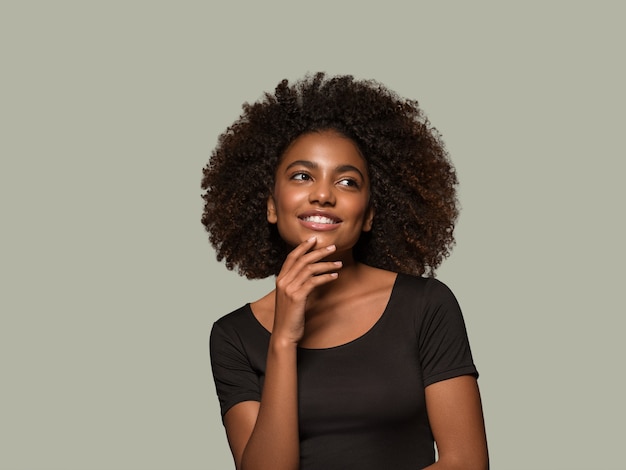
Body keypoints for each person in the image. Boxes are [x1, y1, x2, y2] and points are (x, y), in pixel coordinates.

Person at [202, 73, 488, 470]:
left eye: (347, 181)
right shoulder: (233, 337)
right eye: (302, 176)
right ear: (270, 206)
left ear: (368, 215)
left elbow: (466, 463)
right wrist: (283, 340)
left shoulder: (426, 306)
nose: (323, 194)